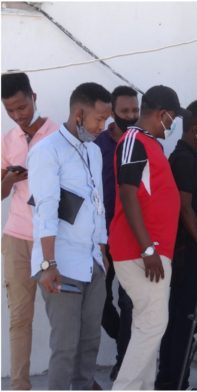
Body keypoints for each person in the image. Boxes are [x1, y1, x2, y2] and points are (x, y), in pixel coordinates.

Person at [27, 82, 111, 389]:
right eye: (99, 119)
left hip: (91, 263)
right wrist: (48, 265)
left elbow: (96, 202)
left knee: (89, 344)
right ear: (78, 114)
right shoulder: (46, 152)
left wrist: (101, 250)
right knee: (65, 348)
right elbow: (45, 211)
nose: (103, 127)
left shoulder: (93, 151)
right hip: (60, 265)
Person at [109, 85, 186, 390]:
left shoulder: (152, 144)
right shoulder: (133, 140)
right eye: (173, 117)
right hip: (140, 252)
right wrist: (147, 248)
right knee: (153, 325)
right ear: (162, 113)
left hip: (152, 251)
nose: (174, 123)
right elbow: (127, 194)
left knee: (148, 326)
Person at [155, 98, 197, 390]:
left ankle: (172, 379)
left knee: (185, 320)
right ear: (196, 129)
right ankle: (172, 381)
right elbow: (185, 207)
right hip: (190, 254)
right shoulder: (183, 160)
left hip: (194, 252)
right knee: (185, 319)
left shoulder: (192, 158)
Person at [1, 72, 59, 390]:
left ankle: (69, 380)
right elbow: (1, 192)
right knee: (19, 318)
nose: (18, 115)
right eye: (10, 111)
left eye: (22, 107)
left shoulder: (58, 134)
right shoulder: (8, 140)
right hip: (16, 238)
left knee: (63, 319)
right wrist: (11, 178)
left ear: (33, 97)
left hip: (51, 239)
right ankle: (20, 386)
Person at [93, 85, 139, 381]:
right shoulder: (97, 145)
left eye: (134, 111)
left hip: (130, 238)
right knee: (97, 302)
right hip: (100, 238)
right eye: (124, 112)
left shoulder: (139, 144)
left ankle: (125, 362)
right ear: (112, 112)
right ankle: (124, 341)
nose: (131, 116)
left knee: (128, 301)